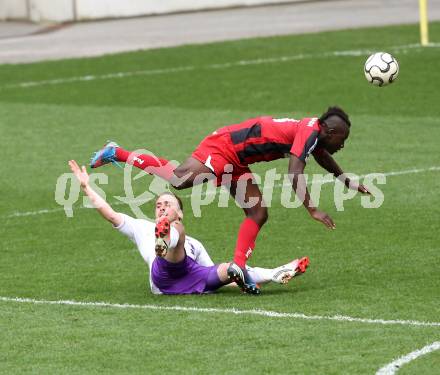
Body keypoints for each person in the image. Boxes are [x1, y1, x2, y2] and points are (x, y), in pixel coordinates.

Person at [89, 106, 368, 294]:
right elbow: (295, 171)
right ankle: (118, 153)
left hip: (236, 160)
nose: (342, 145)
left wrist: (346, 181)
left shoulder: (313, 133)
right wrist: (313, 210)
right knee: (178, 180)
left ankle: (239, 268)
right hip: (224, 147)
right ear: (329, 132)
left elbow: (322, 157)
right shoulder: (309, 132)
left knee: (258, 212)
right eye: (342, 139)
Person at [69, 160, 309, 295]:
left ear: (180, 211)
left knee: (229, 268)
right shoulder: (141, 227)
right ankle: (165, 242)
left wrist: (244, 283)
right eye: (158, 205)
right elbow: (110, 214)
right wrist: (86, 188)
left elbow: (213, 275)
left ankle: (277, 273)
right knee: (178, 233)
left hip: (192, 279)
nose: (161, 207)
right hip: (163, 277)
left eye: (168, 204)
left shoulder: (196, 244)